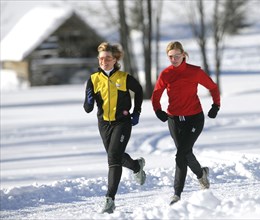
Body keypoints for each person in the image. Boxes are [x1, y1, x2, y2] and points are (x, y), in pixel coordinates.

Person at [151, 41, 220, 205]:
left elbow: (213, 87)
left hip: (194, 118)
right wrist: (158, 110)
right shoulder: (166, 74)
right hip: (174, 119)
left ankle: (177, 194)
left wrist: (215, 105)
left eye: (176, 56)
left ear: (183, 54)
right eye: (170, 57)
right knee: (185, 153)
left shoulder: (194, 71)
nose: (173, 59)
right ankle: (201, 173)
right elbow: (156, 93)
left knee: (181, 154)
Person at [83, 42, 146, 214]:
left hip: (122, 122)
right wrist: (89, 99)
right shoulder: (93, 79)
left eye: (108, 58)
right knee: (115, 155)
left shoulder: (124, 78)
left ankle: (110, 199)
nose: (104, 61)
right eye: (101, 59)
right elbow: (88, 109)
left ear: (115, 59)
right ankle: (136, 166)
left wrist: (136, 112)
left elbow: (139, 91)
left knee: (113, 158)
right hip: (104, 123)